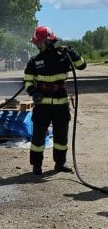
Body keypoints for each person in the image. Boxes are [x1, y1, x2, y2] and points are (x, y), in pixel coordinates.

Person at [23, 26, 87, 175]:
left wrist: (72, 54)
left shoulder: (63, 57)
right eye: (36, 43)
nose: (38, 46)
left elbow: (82, 66)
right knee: (38, 138)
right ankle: (36, 166)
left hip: (61, 105)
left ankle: (60, 163)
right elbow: (27, 81)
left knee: (61, 137)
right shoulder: (34, 61)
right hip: (42, 106)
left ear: (49, 40)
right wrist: (33, 92)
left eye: (40, 43)